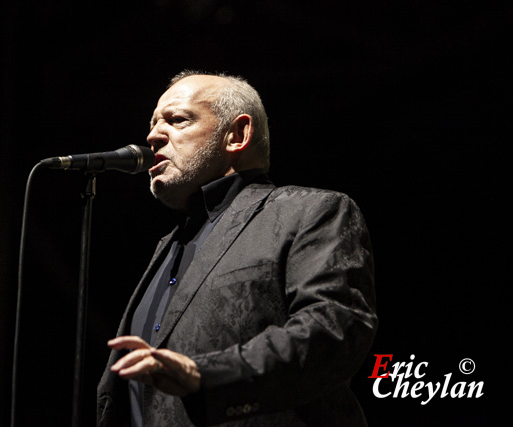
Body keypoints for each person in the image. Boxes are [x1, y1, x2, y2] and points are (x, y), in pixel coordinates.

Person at [97, 71, 377, 426]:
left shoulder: (307, 212)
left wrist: (207, 375)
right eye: (152, 124)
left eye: (177, 119)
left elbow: (335, 330)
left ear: (237, 135)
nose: (152, 136)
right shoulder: (166, 248)